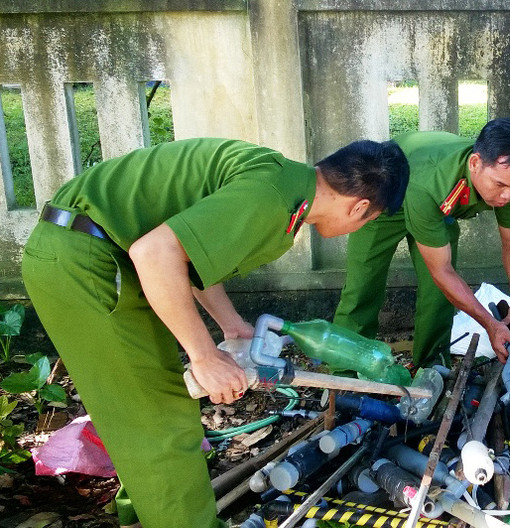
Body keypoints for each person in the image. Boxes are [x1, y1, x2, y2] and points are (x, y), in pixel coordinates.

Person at [21, 137, 409, 527]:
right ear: (360, 207)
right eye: (368, 220)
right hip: (87, 262)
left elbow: (189, 253)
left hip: (92, 253)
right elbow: (155, 254)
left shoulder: (286, 185)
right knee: (161, 420)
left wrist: (230, 325)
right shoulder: (271, 199)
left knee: (147, 408)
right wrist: (203, 355)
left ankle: (146, 513)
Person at [333, 118, 510, 366]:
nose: (508, 195)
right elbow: (442, 270)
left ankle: (431, 368)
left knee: (438, 294)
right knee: (362, 287)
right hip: (386, 192)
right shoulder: (432, 181)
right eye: (500, 185)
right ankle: (343, 375)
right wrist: (491, 325)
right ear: (475, 163)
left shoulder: (509, 178)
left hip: (437, 208)